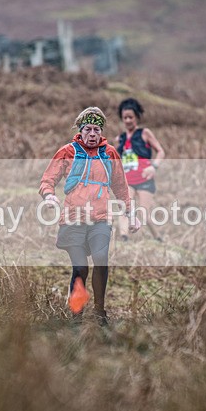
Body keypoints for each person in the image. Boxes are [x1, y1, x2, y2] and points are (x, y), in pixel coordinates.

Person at [39, 106, 140, 325]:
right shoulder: (68, 151)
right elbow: (48, 179)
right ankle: (76, 313)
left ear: (101, 131)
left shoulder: (110, 153)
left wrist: (131, 214)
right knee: (81, 267)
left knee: (101, 261)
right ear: (80, 130)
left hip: (100, 219)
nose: (92, 134)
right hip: (73, 219)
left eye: (96, 130)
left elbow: (121, 187)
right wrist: (48, 196)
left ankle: (99, 312)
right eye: (88, 129)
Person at [114, 98, 166, 241]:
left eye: (131, 117)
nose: (128, 120)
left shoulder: (145, 133)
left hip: (144, 179)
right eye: (125, 118)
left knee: (144, 214)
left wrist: (153, 167)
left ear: (136, 117)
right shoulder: (120, 139)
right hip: (127, 181)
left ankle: (158, 238)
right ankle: (124, 238)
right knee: (125, 209)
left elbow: (161, 151)